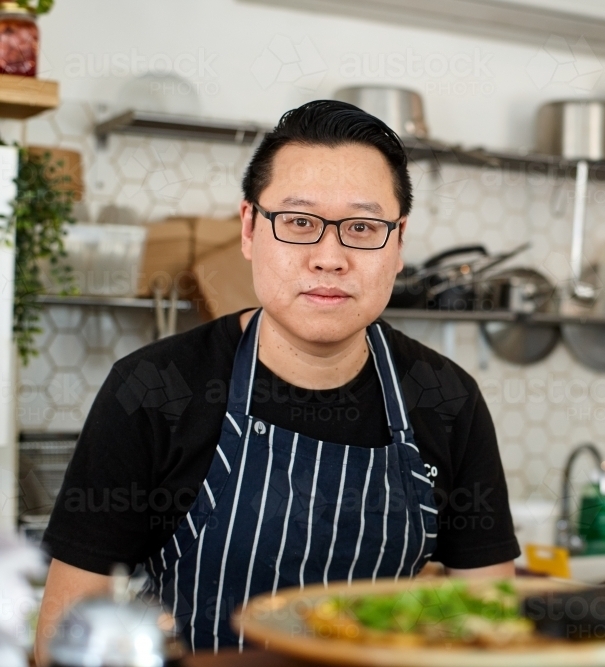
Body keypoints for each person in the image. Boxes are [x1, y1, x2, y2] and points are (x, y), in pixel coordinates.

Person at [35, 100, 519, 660]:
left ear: (399, 241)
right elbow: (67, 638)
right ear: (249, 228)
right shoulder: (152, 388)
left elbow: (492, 627)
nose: (329, 257)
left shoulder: (447, 399)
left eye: (363, 227)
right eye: (298, 223)